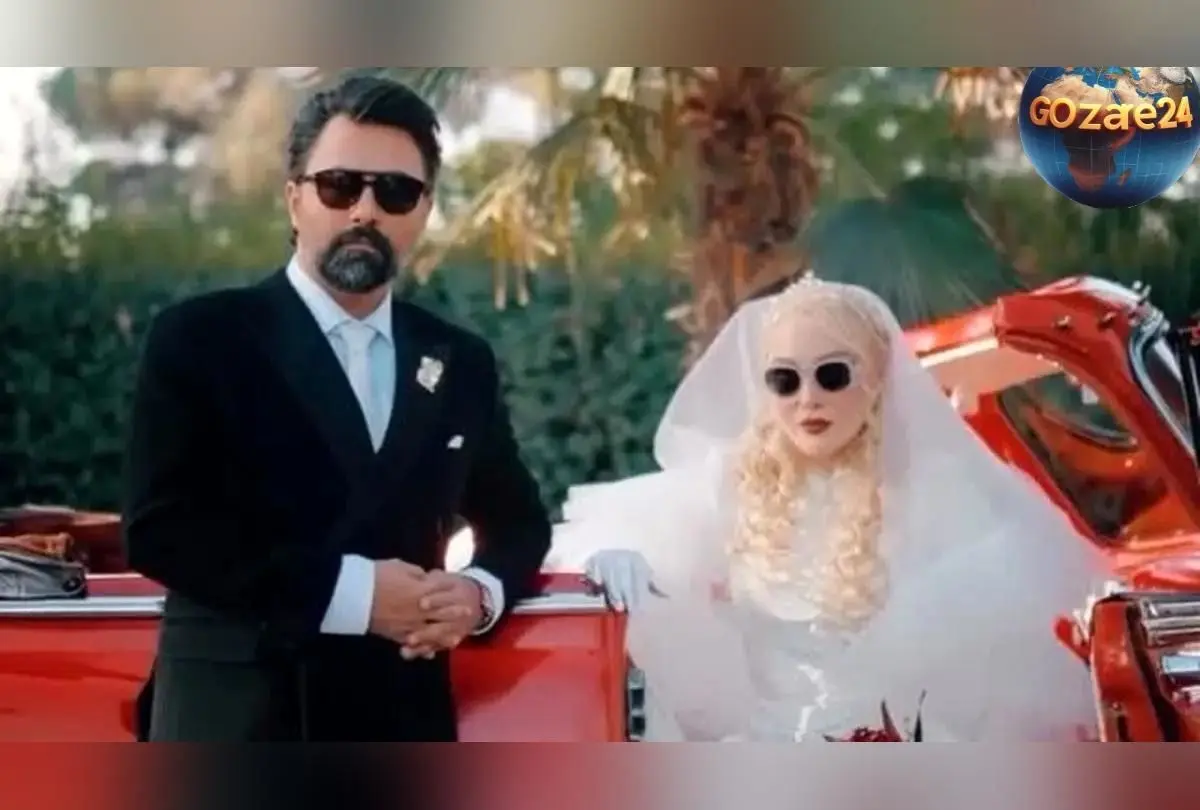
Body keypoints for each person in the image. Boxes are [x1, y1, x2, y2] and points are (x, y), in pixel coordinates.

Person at [122, 75, 550, 742]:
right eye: (339, 186)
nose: (365, 211)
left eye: (395, 191)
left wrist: (477, 594)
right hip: (235, 722)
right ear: (294, 199)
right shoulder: (202, 338)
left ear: (424, 209)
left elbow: (518, 522)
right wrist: (354, 596)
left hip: (402, 723)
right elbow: (163, 529)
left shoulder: (459, 359)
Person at [549, 274, 1107, 741]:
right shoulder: (736, 483)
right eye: (784, 380)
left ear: (877, 379)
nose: (808, 398)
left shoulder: (936, 486)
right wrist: (613, 555)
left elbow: (1017, 605)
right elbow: (634, 527)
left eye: (833, 375)